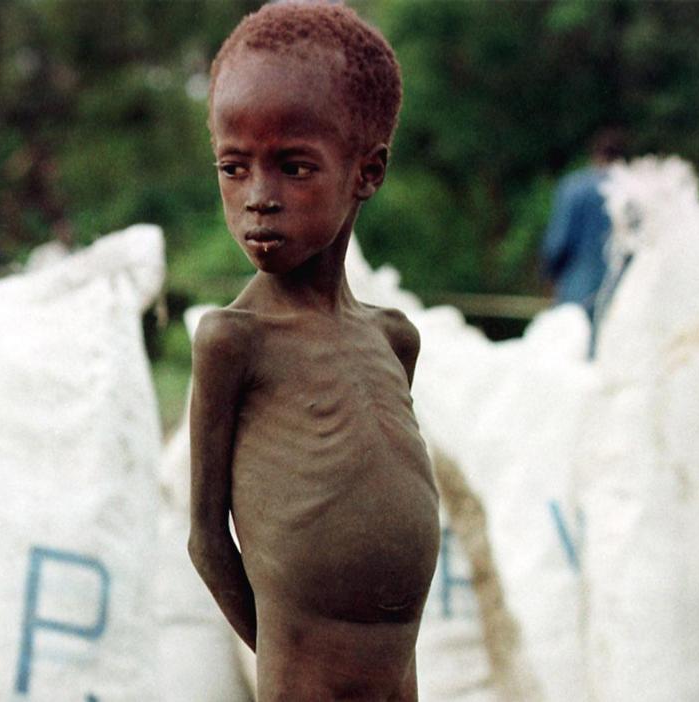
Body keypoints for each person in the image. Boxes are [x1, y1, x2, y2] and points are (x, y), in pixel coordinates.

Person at [187, 4, 439, 700]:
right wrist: (287, 660)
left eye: (294, 168)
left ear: (367, 171)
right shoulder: (233, 342)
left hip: (399, 679)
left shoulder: (392, 338)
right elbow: (207, 542)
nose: (258, 200)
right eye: (234, 169)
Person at [541, 129, 628, 321]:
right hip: (623, 293)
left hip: (577, 290)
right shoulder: (634, 191)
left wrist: (549, 275)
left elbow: (558, 243)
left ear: (595, 153)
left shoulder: (574, 187)